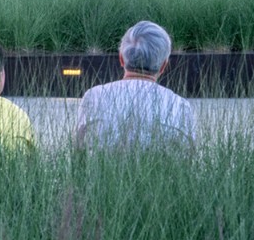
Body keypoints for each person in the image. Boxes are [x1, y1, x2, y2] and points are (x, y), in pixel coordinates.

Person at [75, 21, 196, 150]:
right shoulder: (180, 106)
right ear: (164, 66)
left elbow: (78, 153)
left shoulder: (93, 97)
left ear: (121, 59)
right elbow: (188, 160)